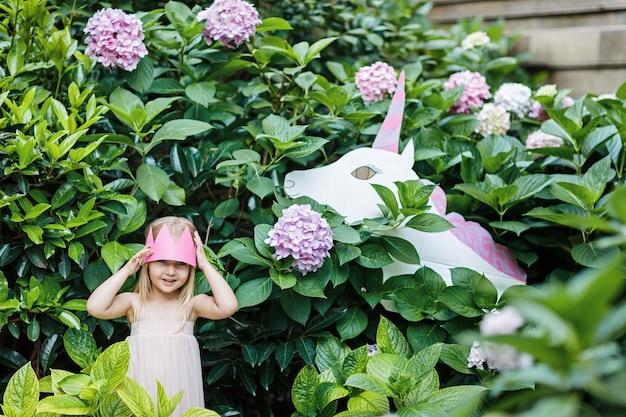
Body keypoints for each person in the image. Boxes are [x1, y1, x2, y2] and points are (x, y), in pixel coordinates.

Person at [86, 216, 238, 416]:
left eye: (181, 264)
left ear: (191, 267)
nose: (171, 271)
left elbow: (228, 306)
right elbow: (95, 307)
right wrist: (128, 269)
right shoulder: (134, 303)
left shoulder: (191, 305)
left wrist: (205, 264)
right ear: (147, 262)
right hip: (139, 395)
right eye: (162, 262)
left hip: (179, 399)